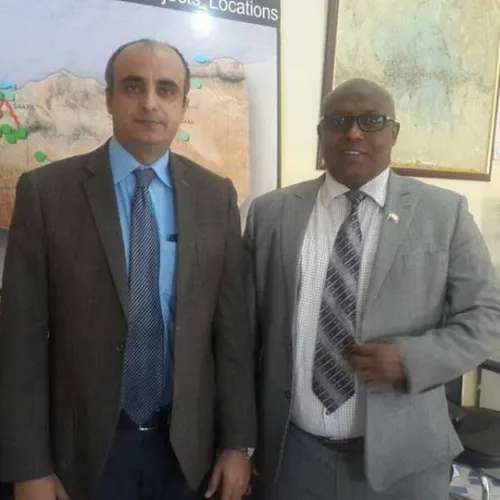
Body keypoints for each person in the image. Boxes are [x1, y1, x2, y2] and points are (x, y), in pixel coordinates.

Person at [0, 39, 256, 500]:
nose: (150, 103)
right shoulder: (47, 193)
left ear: (183, 105)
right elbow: (21, 340)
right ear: (109, 98)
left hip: (187, 452)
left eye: (166, 89)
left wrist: (238, 444)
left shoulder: (216, 196)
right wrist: (29, 466)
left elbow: (232, 334)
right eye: (134, 86)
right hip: (82, 452)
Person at [244, 78, 500, 500]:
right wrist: (240, 441)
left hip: (406, 462)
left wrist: (411, 359)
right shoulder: (271, 213)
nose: (353, 133)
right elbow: (244, 333)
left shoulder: (444, 213)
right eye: (338, 121)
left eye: (372, 121)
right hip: (291, 458)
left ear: (394, 133)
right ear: (321, 133)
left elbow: (486, 317)